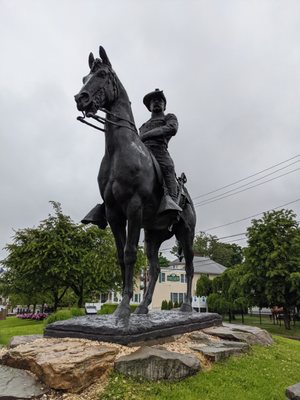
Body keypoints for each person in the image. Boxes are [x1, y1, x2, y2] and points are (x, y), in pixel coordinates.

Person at [139, 88, 182, 213]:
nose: (156, 102)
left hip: (159, 151)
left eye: (159, 100)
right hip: (142, 151)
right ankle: (106, 204)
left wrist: (145, 136)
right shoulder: (143, 125)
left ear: (164, 105)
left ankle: (172, 203)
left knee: (168, 167)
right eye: (153, 101)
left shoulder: (169, 117)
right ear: (149, 106)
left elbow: (171, 129)